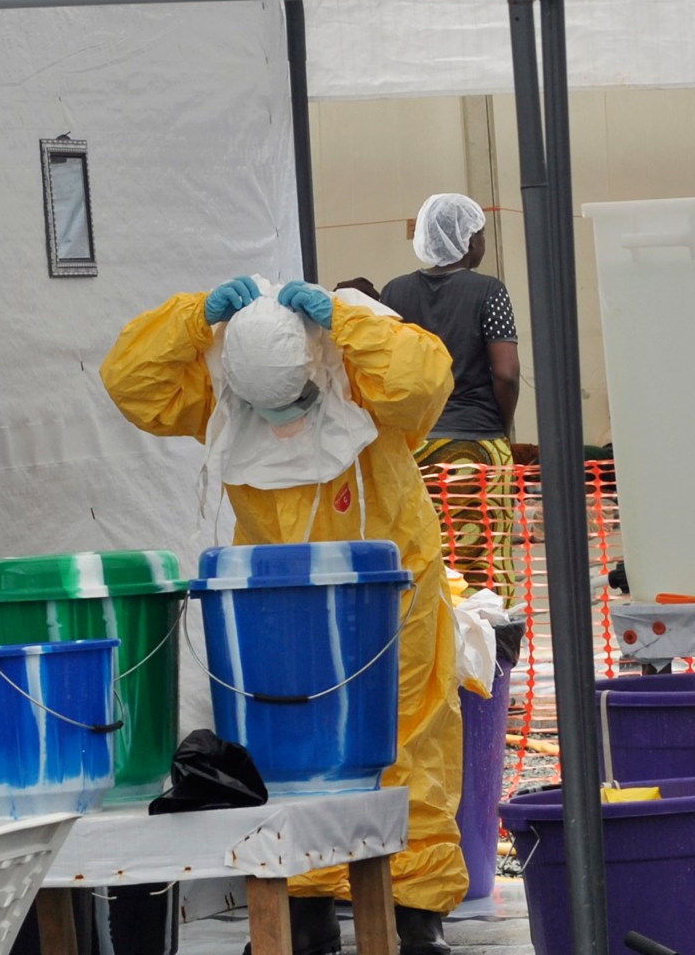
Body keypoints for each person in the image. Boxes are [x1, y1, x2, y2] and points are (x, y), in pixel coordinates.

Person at [100, 275, 466, 955]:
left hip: (388, 586)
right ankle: (300, 905)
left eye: (297, 400)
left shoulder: (355, 360)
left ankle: (415, 909)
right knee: (282, 743)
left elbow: (425, 382)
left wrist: (349, 322)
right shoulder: (220, 376)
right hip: (277, 595)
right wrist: (192, 316)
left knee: (408, 730)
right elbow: (132, 381)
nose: (287, 419)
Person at [382, 193, 521, 606]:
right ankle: (491, 661)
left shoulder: (394, 293)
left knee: (425, 558)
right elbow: (507, 373)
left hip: (413, 450)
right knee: (483, 564)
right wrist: (502, 426)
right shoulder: (489, 291)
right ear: (469, 240)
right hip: (475, 444)